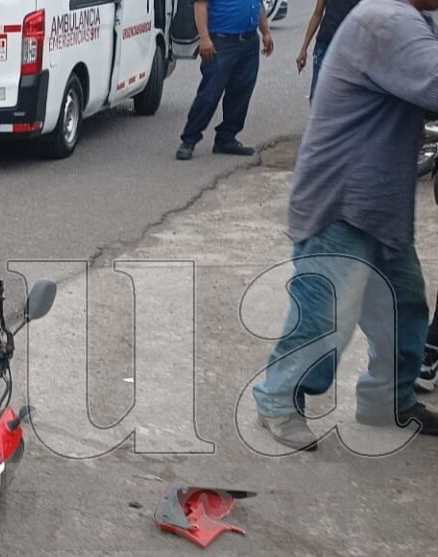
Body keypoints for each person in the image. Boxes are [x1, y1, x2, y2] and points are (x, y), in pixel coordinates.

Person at [251, 0, 438, 450]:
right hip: (342, 201)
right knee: (325, 317)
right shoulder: (385, 20)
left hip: (378, 204)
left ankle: (385, 400)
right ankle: (277, 400)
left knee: (403, 309)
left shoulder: (412, 20)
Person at [176, 0, 274, 160]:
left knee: (242, 91)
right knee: (210, 93)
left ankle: (226, 138)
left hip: (249, 41)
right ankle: (189, 139)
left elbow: (259, 5)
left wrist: (266, 32)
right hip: (222, 41)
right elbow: (200, 5)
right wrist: (204, 38)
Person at [295, 0, 362, 100]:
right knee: (317, 94)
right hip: (325, 44)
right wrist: (304, 49)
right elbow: (317, 14)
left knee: (346, 98)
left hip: (351, 49)